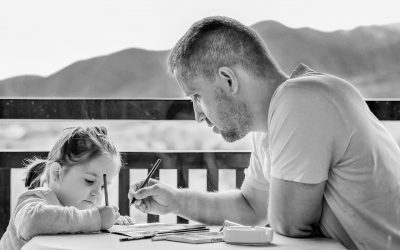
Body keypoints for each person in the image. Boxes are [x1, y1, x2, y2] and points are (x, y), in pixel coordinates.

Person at [128, 16, 400, 249]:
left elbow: (289, 227)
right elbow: (251, 208)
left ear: (228, 80)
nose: (198, 115)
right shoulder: (271, 122)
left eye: (197, 96)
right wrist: (175, 201)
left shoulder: (301, 99)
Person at [0, 126, 134, 250]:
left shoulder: (83, 209)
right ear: (57, 173)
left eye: (103, 186)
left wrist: (111, 222)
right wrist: (96, 218)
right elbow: (30, 223)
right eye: (89, 180)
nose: (97, 193)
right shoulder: (33, 201)